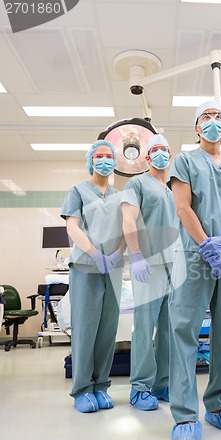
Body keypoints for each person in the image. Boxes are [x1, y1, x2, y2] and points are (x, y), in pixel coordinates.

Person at [168, 100, 221, 440]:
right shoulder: (184, 162)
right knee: (184, 332)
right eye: (206, 117)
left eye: (219, 117)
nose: (214, 122)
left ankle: (219, 405)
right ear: (197, 128)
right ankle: (186, 415)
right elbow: (183, 206)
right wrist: (206, 246)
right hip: (194, 256)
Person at [61, 139, 125, 413]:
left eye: (109, 155)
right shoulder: (77, 190)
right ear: (90, 160)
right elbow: (72, 226)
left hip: (113, 268)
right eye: (98, 155)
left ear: (115, 161)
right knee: (86, 328)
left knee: (108, 329)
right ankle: (81, 390)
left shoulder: (120, 195)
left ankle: (101, 385)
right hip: (86, 266)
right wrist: (93, 253)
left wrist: (117, 254)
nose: (104, 159)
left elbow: (127, 229)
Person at [121, 134, 177, 411]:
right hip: (149, 265)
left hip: (176, 266)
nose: (160, 154)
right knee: (145, 327)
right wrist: (136, 255)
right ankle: (140, 387)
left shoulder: (176, 187)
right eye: (154, 150)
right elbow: (128, 219)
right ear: (146, 157)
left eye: (164, 150)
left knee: (169, 328)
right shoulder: (137, 183)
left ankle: (163, 383)